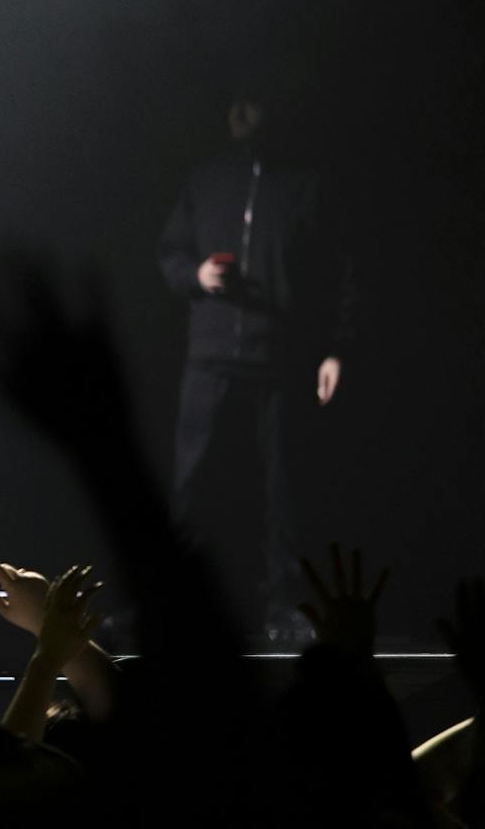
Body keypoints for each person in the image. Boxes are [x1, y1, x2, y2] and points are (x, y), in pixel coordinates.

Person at [156, 92, 353, 639]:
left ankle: (285, 607)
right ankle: (177, 599)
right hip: (212, 353)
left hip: (280, 355)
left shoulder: (306, 184)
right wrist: (196, 277)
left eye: (253, 105)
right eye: (234, 106)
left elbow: (338, 274)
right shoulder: (207, 179)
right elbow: (169, 252)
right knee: (193, 482)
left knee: (283, 487)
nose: (240, 116)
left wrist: (335, 349)